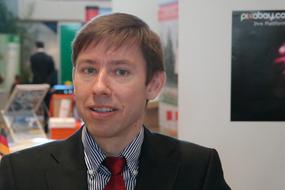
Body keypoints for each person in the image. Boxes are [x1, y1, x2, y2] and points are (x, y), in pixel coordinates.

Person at [0, 13, 231, 190]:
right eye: (88, 70)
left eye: (120, 72)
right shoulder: (20, 174)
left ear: (153, 84)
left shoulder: (198, 171)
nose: (99, 87)